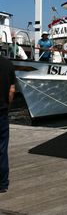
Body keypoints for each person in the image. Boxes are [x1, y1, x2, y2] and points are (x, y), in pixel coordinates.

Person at [0, 56, 16, 193]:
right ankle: (2, 183)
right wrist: (7, 105)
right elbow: (11, 91)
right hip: (2, 112)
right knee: (2, 149)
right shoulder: (8, 64)